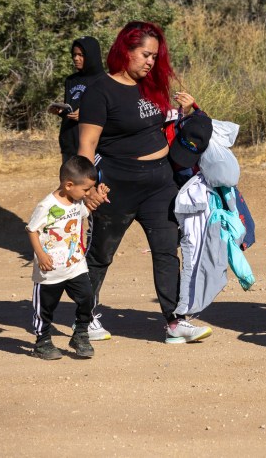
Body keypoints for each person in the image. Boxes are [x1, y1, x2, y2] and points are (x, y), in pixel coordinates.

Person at [78, 21, 211, 345]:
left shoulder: (151, 85)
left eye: (155, 56)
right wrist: (87, 189)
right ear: (126, 50)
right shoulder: (101, 90)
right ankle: (85, 318)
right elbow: (86, 146)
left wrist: (182, 112)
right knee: (100, 254)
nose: (151, 62)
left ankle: (175, 322)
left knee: (167, 251)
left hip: (160, 183)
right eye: (145, 55)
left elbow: (159, 125)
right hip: (116, 186)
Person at [26, 156, 100, 360]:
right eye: (86, 190)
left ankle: (81, 334)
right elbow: (32, 230)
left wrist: (97, 199)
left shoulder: (76, 200)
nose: (88, 193)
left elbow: (82, 213)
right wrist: (40, 255)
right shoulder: (47, 206)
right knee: (45, 309)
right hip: (50, 270)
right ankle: (42, 342)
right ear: (68, 184)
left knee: (87, 298)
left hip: (75, 265)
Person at [50, 37, 105, 163]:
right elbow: (71, 107)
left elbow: (110, 113)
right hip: (69, 143)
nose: (76, 58)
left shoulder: (104, 80)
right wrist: (61, 111)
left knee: (93, 182)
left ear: (91, 55)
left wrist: (87, 115)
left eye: (81, 55)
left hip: (94, 147)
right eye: (74, 54)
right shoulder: (71, 80)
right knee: (69, 182)